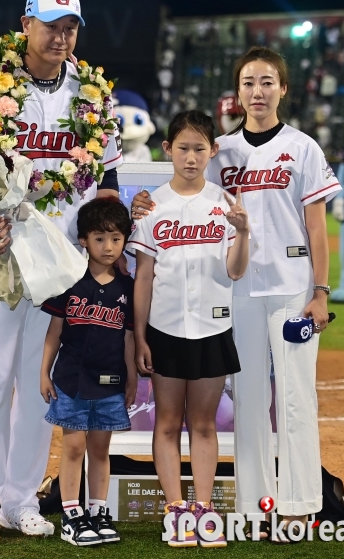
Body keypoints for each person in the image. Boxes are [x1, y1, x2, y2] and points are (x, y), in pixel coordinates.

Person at [131, 47, 342, 543]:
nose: (258, 91)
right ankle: (254, 507)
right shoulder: (219, 149)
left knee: (294, 398)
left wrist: (320, 292)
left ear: (283, 89)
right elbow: (178, 189)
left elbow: (316, 228)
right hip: (237, 290)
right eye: (249, 82)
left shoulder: (303, 147)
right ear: (237, 91)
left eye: (267, 82)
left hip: (292, 287)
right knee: (248, 398)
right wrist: (142, 199)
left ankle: (299, 505)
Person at [0, 0, 124, 544]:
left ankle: (19, 497)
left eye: (71, 25)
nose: (62, 34)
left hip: (64, 262)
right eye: (52, 23)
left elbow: (107, 181)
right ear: (25, 24)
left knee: (39, 384)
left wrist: (126, 216)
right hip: (1, 251)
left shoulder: (94, 94)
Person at [127, 110, 249, 548]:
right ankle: (175, 507)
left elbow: (235, 271)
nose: (192, 157)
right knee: (166, 421)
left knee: (203, 423)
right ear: (168, 151)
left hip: (213, 326)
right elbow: (143, 276)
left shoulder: (225, 204)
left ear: (213, 151)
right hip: (163, 327)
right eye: (184, 148)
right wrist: (139, 336)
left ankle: (204, 508)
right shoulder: (151, 205)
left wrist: (244, 233)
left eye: (200, 149)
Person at [40, 197, 136, 546]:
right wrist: (43, 372)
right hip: (70, 378)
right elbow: (54, 332)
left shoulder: (127, 287)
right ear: (83, 240)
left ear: (125, 239)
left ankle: (97, 511)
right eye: (99, 238)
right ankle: (71, 515)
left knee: (100, 449)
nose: (108, 246)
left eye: (115, 238)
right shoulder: (70, 281)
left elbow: (128, 338)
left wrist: (132, 377)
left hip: (110, 381)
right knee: (74, 446)